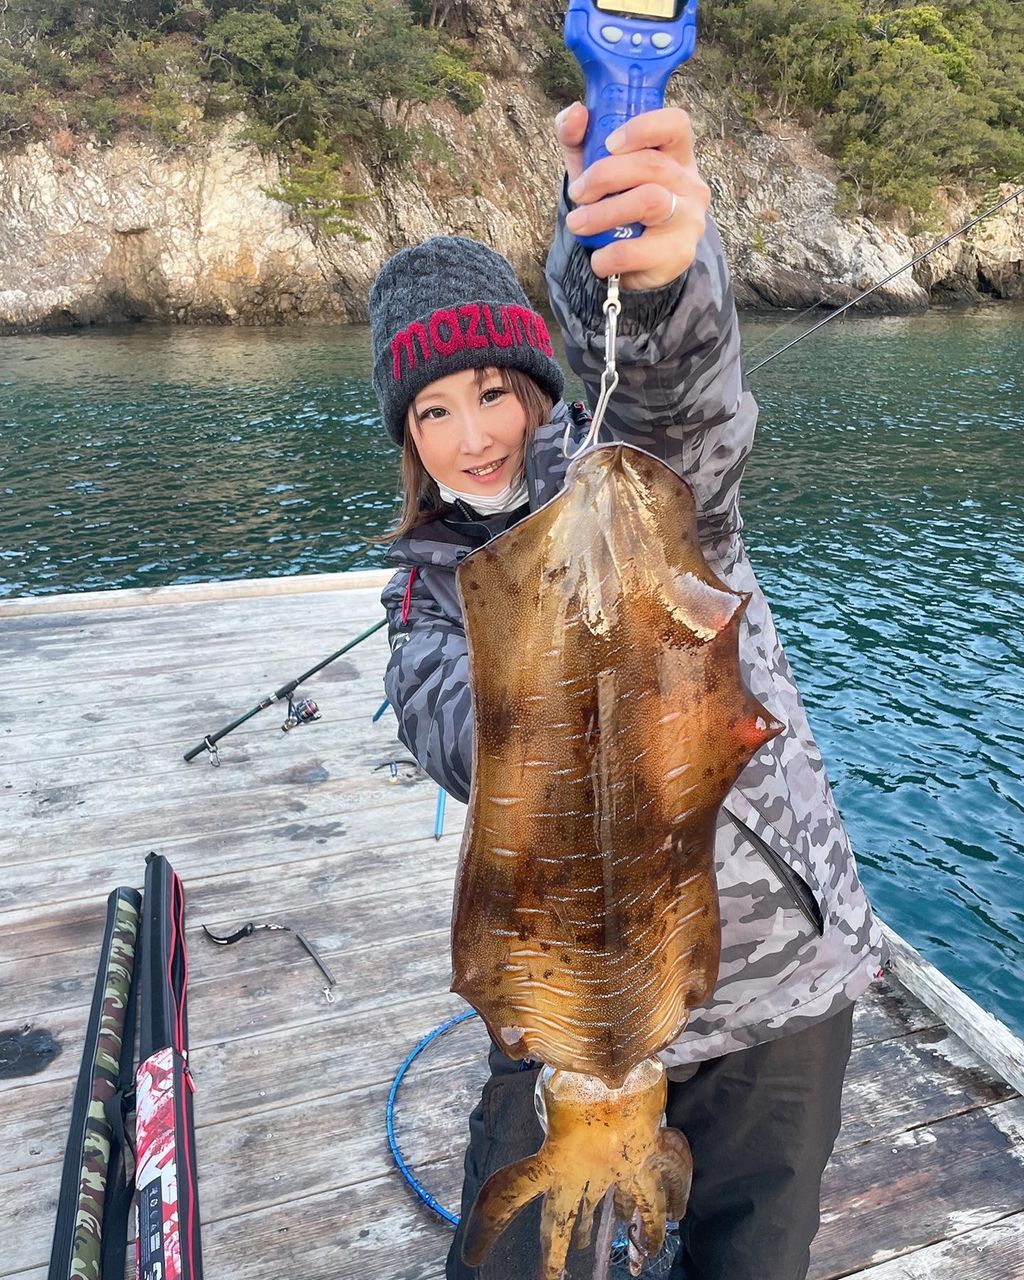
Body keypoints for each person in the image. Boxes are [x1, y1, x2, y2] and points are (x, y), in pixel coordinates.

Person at [369, 102, 884, 1280]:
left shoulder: (658, 504)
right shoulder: (427, 598)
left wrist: (640, 277)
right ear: (406, 435)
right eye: (431, 410)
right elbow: (458, 735)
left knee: (754, 1255)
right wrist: (523, 613)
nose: (471, 436)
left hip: (776, 986)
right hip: (562, 1014)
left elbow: (673, 393)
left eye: (492, 390)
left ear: (540, 389)